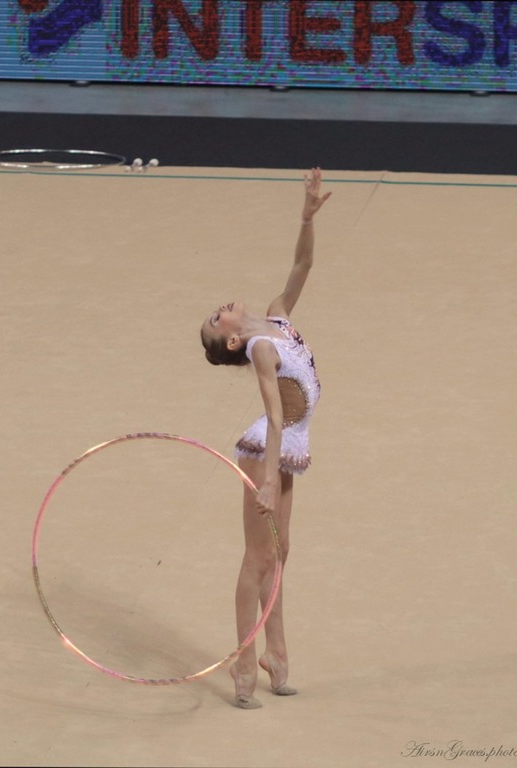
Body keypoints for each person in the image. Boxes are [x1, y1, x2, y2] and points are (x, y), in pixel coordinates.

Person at [200, 168, 331, 709]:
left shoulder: (278, 319)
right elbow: (276, 416)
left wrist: (306, 218)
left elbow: (303, 266)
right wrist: (269, 483)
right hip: (267, 452)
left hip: (289, 450)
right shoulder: (260, 348)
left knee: (280, 553)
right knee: (258, 557)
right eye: (217, 320)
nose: (221, 307)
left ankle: (277, 658)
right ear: (232, 340)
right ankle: (243, 665)